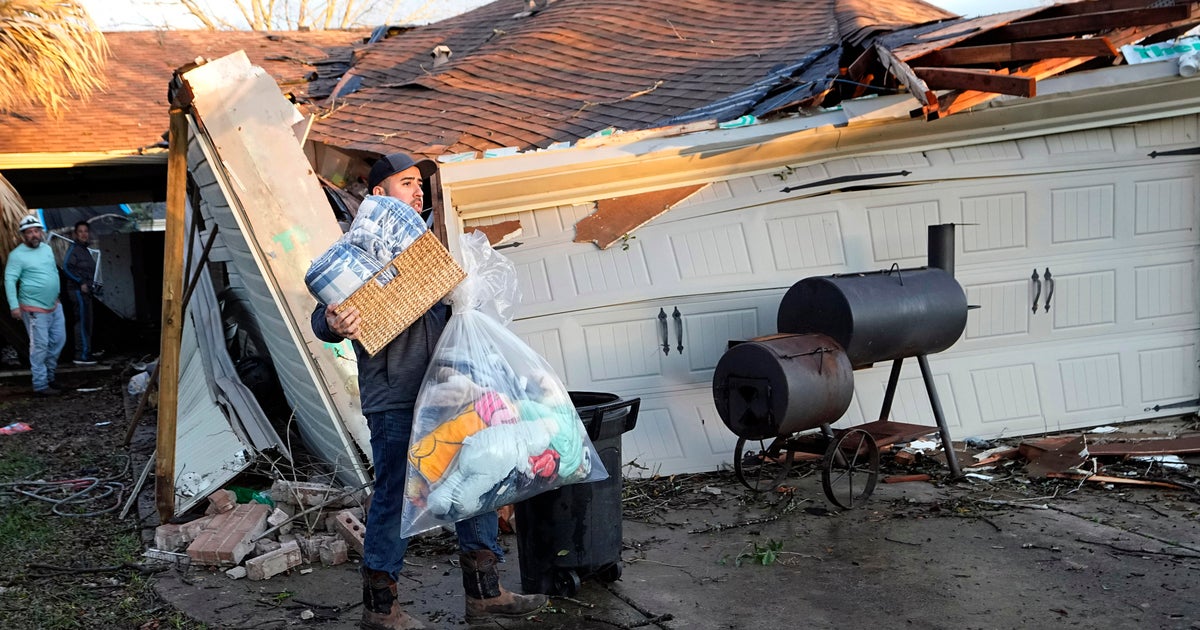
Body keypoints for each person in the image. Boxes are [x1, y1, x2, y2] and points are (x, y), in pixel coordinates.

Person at [311, 153, 547, 630]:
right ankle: (380, 609)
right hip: (396, 397)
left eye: (420, 184)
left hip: (454, 389)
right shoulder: (356, 252)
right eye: (406, 183)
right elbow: (323, 316)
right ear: (379, 195)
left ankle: (485, 593)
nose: (417, 191)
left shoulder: (433, 251)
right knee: (397, 497)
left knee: (479, 484)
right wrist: (333, 321)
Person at [5, 215, 67, 396]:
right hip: (33, 309)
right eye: (29, 232)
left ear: (41, 232)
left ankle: (50, 376)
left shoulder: (47, 249)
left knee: (59, 340)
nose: (33, 235)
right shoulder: (16, 255)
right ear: (23, 235)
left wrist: (57, 295)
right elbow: (10, 280)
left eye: (36, 231)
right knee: (40, 346)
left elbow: (53, 272)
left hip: (55, 305)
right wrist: (14, 306)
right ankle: (40, 384)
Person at [62, 220, 99, 365]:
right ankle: (81, 355)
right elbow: (66, 267)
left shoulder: (85, 250)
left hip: (87, 292)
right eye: (80, 231)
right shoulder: (74, 249)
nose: (84, 234)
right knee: (82, 322)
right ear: (76, 234)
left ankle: (86, 351)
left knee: (87, 322)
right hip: (77, 291)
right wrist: (80, 282)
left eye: (86, 231)